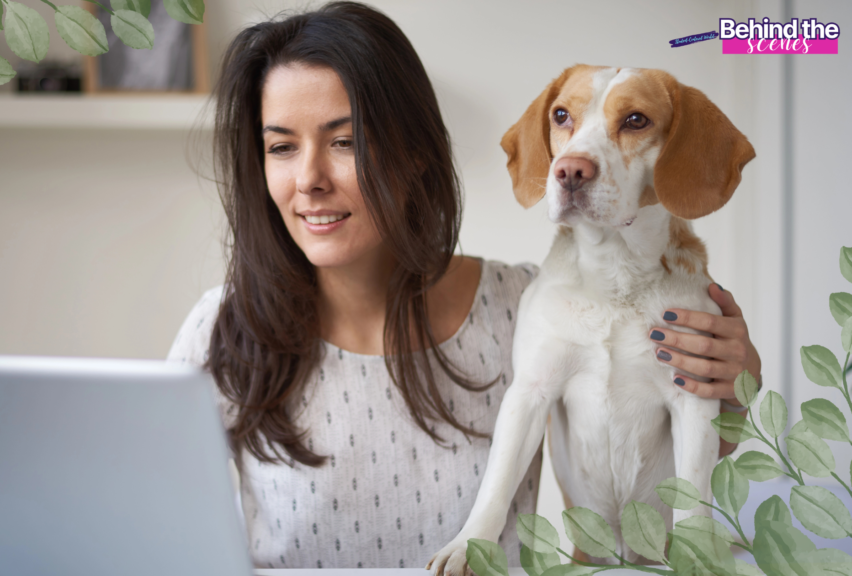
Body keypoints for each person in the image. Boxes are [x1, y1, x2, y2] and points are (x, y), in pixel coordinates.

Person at [167, 2, 761, 570]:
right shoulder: (220, 330)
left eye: (346, 141)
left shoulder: (522, 307)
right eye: (280, 147)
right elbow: (150, 517)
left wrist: (733, 392)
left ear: (417, 153)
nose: (309, 179)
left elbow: (650, 453)